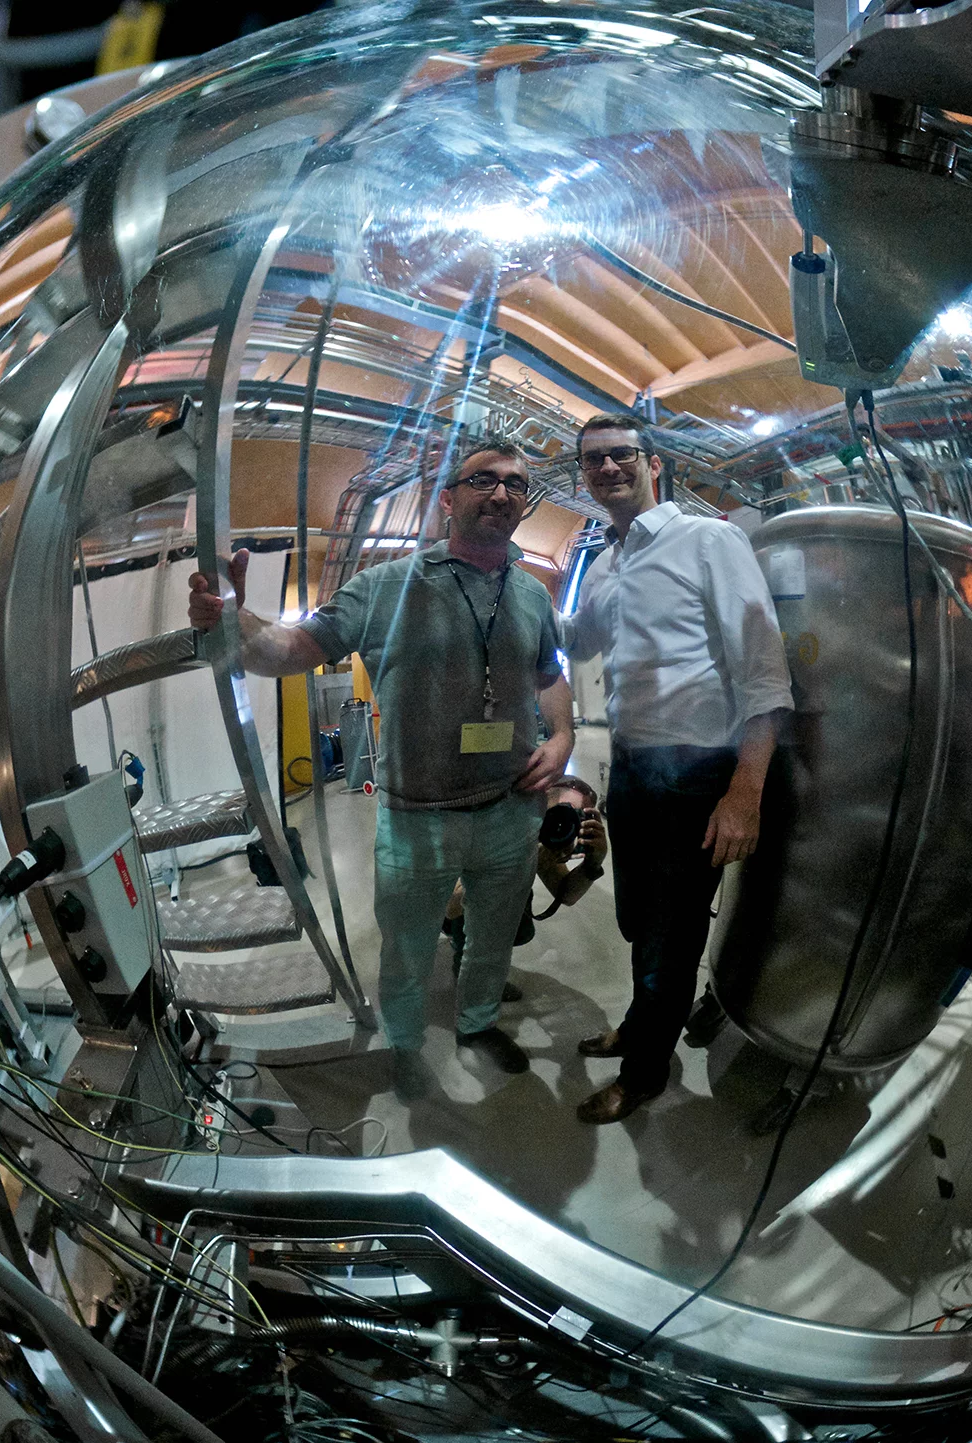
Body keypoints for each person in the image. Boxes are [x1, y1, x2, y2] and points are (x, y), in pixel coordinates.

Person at [186, 439, 573, 1072]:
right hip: (418, 819)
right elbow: (290, 650)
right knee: (408, 948)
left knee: (493, 939)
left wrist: (562, 737)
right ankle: (404, 1045)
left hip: (513, 810)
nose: (501, 493)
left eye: (515, 484)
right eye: (482, 481)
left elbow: (548, 673)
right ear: (447, 499)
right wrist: (233, 621)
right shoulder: (386, 588)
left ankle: (476, 1024)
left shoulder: (532, 596)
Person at [562, 415, 792, 1123]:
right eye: (594, 460)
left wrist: (745, 792)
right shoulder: (605, 563)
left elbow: (766, 676)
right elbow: (575, 638)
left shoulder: (709, 540)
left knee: (673, 933)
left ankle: (645, 1070)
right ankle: (640, 1024)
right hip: (631, 770)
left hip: (698, 779)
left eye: (621, 455)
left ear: (653, 461)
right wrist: (505, 590)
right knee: (637, 920)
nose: (607, 469)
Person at [442, 774, 607, 988]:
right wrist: (522, 860)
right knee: (490, 901)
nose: (561, 822)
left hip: (474, 899)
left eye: (574, 817)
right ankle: (467, 962)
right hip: (441, 903)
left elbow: (566, 894)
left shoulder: (545, 831)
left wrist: (593, 864)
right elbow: (450, 907)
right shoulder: (496, 819)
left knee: (516, 910)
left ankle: (484, 966)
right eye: (558, 811)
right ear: (538, 801)